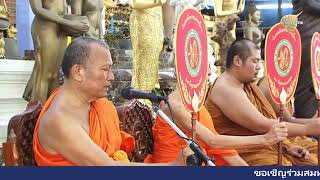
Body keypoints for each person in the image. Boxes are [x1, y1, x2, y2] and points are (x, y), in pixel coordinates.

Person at [33, 37, 189, 166]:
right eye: (105, 69)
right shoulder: (60, 121)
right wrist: (172, 166)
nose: (112, 77)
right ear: (78, 72)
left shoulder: (96, 105)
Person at [205, 39, 320, 166]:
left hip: (267, 144)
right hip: (242, 151)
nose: (259, 66)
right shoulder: (226, 89)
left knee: (311, 159)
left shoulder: (246, 85)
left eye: (259, 61)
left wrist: (287, 147)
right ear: (237, 61)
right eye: (254, 61)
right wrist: (307, 128)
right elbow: (263, 125)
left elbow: (283, 122)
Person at [144, 88, 288, 166]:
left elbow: (220, 148)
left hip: (199, 159)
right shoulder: (175, 105)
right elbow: (212, 141)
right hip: (178, 164)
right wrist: (264, 139)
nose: (206, 82)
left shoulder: (195, 102)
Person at [26, 0, 90, 104]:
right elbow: (37, 9)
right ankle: (36, 115)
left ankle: (52, 112)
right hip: (45, 27)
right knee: (44, 74)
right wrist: (68, 22)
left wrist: (76, 24)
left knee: (54, 75)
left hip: (61, 30)